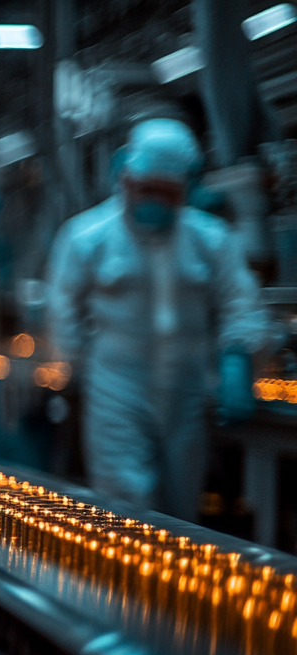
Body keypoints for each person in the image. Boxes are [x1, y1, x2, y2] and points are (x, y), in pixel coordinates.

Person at [47, 119, 269, 519]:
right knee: (125, 502)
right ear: (125, 179)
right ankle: (120, 584)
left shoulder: (211, 240)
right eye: (145, 189)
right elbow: (63, 306)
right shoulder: (87, 238)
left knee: (183, 506)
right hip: (116, 388)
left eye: (165, 193)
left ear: (185, 191)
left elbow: (240, 302)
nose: (153, 200)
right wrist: (79, 366)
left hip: (188, 392)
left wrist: (238, 356)